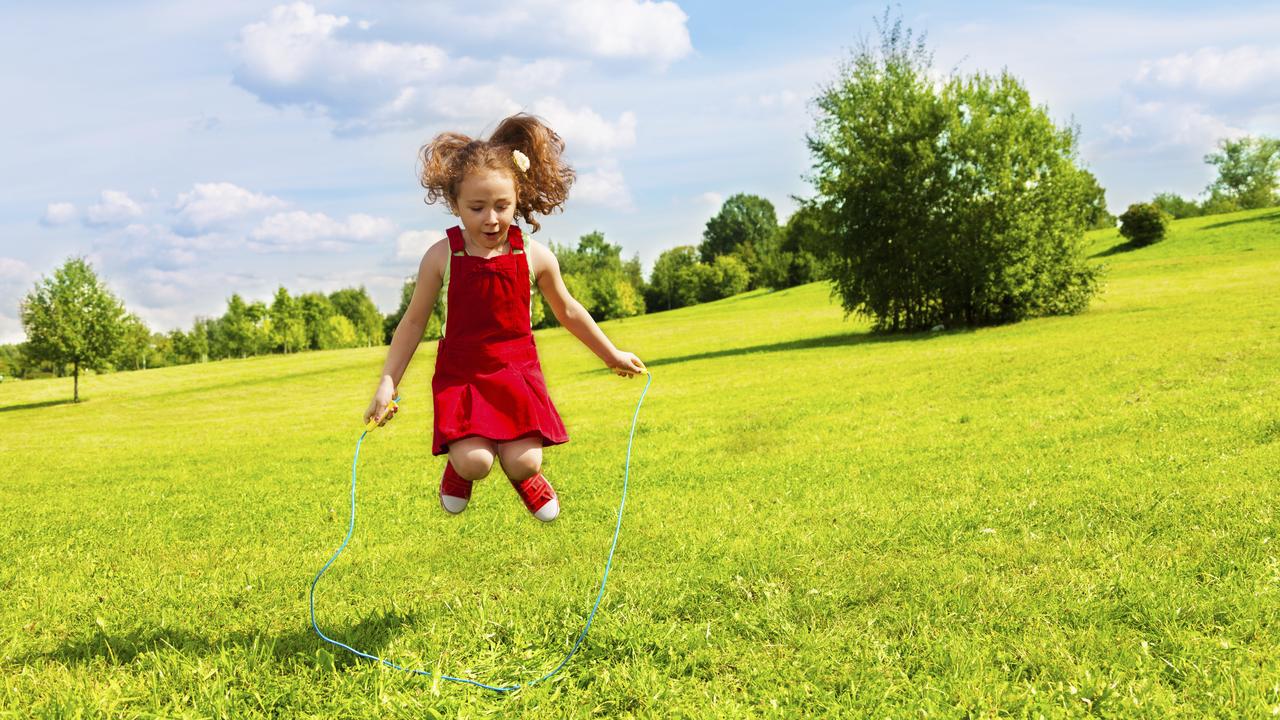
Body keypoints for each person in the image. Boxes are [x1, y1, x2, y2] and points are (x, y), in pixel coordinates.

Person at [363, 113, 646, 522]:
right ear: (456, 204)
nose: (491, 219)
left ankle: (527, 479)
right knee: (476, 461)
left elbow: (568, 310)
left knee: (525, 461)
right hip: (463, 374)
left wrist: (611, 354)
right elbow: (411, 323)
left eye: (502, 206)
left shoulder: (533, 255)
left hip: (516, 370)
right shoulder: (443, 256)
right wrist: (387, 383)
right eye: (477, 208)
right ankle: (458, 472)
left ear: (518, 198)